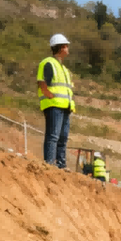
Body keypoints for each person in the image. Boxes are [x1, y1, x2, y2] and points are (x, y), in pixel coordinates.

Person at [37, 33, 75, 169]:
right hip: (54, 105)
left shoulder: (63, 68)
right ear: (61, 47)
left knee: (62, 138)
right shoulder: (48, 63)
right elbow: (42, 82)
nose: (68, 48)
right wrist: (49, 96)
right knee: (53, 136)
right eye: (66, 46)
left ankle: (61, 165)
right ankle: (50, 164)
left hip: (65, 106)